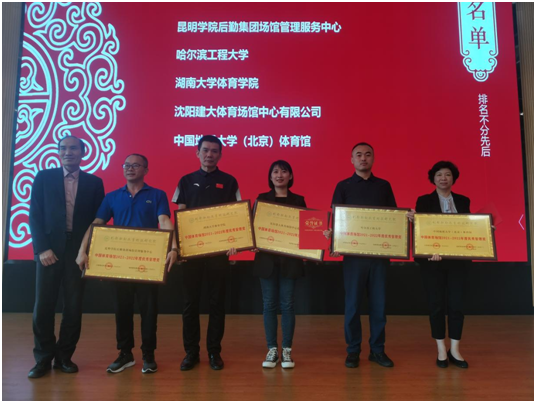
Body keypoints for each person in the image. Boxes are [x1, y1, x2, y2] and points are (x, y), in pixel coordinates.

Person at [76, 154, 178, 374]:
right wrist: (82, 250)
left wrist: (173, 248)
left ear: (146, 170)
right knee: (122, 310)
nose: (130, 168)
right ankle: (125, 354)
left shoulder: (157, 194)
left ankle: (148, 355)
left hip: (148, 264)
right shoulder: (112, 197)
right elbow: (97, 224)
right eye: (127, 165)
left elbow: (163, 221)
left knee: (149, 311)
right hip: (119, 264)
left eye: (136, 165)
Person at [28, 136, 105, 378]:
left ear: (83, 152)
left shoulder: (94, 182)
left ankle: (64, 357)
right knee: (43, 306)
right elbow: (34, 215)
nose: (67, 152)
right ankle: (43, 358)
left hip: (78, 252)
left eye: (73, 148)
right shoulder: (43, 177)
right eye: (63, 148)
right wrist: (41, 248)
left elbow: (98, 221)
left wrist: (88, 250)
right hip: (49, 250)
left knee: (73, 306)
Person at [172, 135, 240, 371]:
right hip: (191, 253)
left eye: (214, 151)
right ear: (197, 152)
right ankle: (191, 353)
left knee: (216, 304)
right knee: (190, 304)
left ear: (220, 155)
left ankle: (214, 352)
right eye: (205, 150)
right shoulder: (186, 180)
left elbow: (236, 215)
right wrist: (178, 247)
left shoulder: (229, 181)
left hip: (218, 253)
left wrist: (235, 241)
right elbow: (179, 216)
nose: (209, 154)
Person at [327, 142, 397, 368]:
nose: (363, 158)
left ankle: (377, 350)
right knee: (353, 306)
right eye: (358, 155)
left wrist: (405, 220)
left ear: (373, 159)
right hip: (353, 257)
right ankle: (353, 350)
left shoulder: (384, 186)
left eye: (367, 154)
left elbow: (393, 217)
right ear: (352, 160)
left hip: (379, 256)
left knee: (379, 306)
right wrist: (334, 241)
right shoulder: (343, 186)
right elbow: (337, 219)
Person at [411, 161, 471, 369]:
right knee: (436, 305)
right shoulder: (424, 200)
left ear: (453, 178)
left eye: (447, 174)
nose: (443, 178)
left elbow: (468, 227)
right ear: (433, 179)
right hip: (432, 262)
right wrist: (415, 222)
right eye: (439, 175)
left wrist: (485, 229)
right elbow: (422, 230)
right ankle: (440, 348)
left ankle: (455, 349)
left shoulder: (463, 200)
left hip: (458, 261)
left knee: (457, 305)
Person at [252, 160, 306, 369]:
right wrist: (251, 241)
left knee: (288, 305)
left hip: (290, 262)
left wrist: (319, 238)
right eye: (275, 171)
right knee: (269, 305)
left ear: (290, 176)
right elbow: (254, 227)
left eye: (284, 171)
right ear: (270, 176)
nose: (279, 175)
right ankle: (272, 349)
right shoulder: (262, 199)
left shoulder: (298, 200)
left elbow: (306, 229)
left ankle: (287, 350)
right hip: (267, 262)